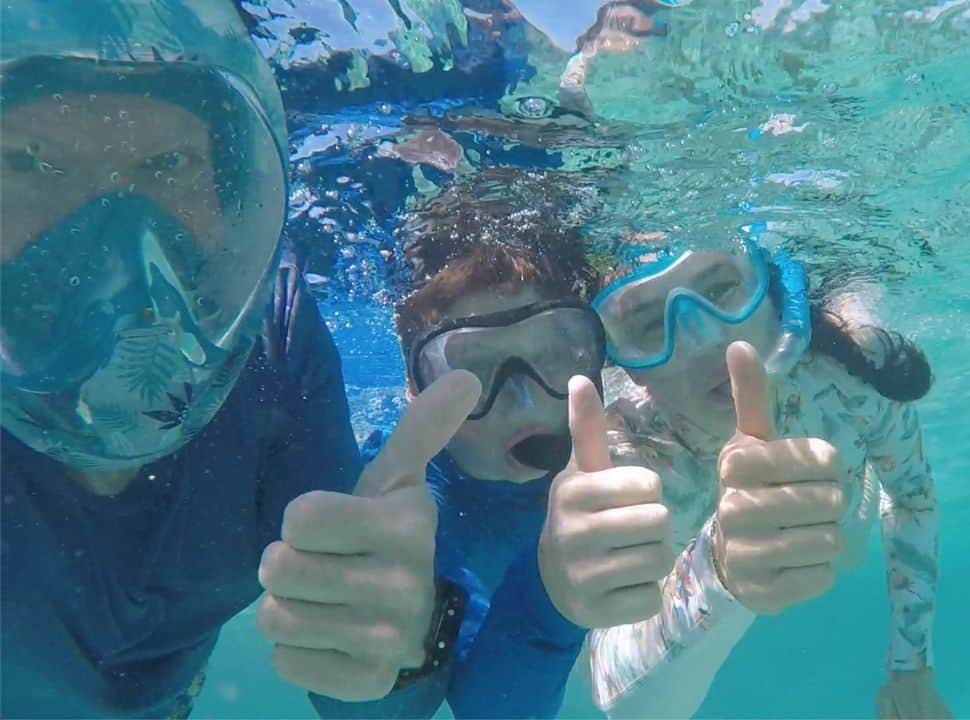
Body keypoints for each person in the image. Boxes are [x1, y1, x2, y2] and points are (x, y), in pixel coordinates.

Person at [1, 2, 477, 717]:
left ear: (234, 202)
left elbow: (367, 698)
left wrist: (403, 640)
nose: (113, 235)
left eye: (168, 164)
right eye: (29, 161)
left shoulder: (276, 335)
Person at [307, 173, 674, 719]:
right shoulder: (393, 502)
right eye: (474, 372)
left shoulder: (643, 446)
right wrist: (382, 646)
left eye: (555, 354)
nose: (525, 405)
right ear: (416, 391)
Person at [584, 230, 952, 719]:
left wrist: (912, 668)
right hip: (789, 542)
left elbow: (911, 498)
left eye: (720, 290)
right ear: (631, 370)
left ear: (781, 298)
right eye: (651, 322)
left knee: (845, 551)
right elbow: (621, 695)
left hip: (846, 517)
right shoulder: (639, 456)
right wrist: (717, 568)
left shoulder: (855, 371)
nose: (705, 340)